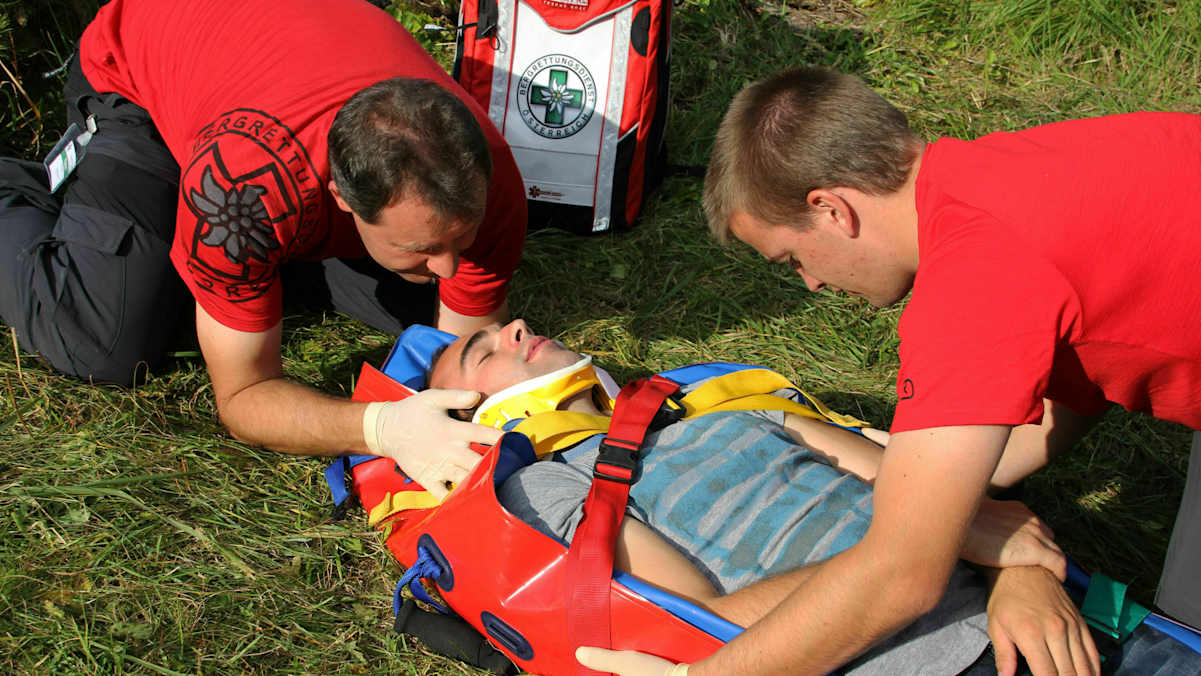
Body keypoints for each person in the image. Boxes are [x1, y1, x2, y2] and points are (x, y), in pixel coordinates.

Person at [608, 66, 1201, 676]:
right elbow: (1073, 372)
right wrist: (962, 509)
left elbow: (901, 578)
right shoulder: (1002, 166)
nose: (811, 283)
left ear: (832, 209)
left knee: (1187, 639)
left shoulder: (970, 289)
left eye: (792, 259)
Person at [425, 320, 1200, 675]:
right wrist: (913, 554)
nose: (514, 326)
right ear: (466, 419)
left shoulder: (735, 406)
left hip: (1053, 626)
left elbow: (968, 509)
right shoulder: (545, 487)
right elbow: (690, 628)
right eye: (479, 349)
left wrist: (1020, 575)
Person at [0, 0, 527, 497]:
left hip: (271, 62)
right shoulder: (243, 193)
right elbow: (244, 398)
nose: (450, 264)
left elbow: (462, 357)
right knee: (103, 337)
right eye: (424, 247)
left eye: (464, 234)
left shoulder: (487, 175)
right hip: (142, 71)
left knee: (418, 318)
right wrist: (381, 427)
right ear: (340, 195)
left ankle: (228, 272)